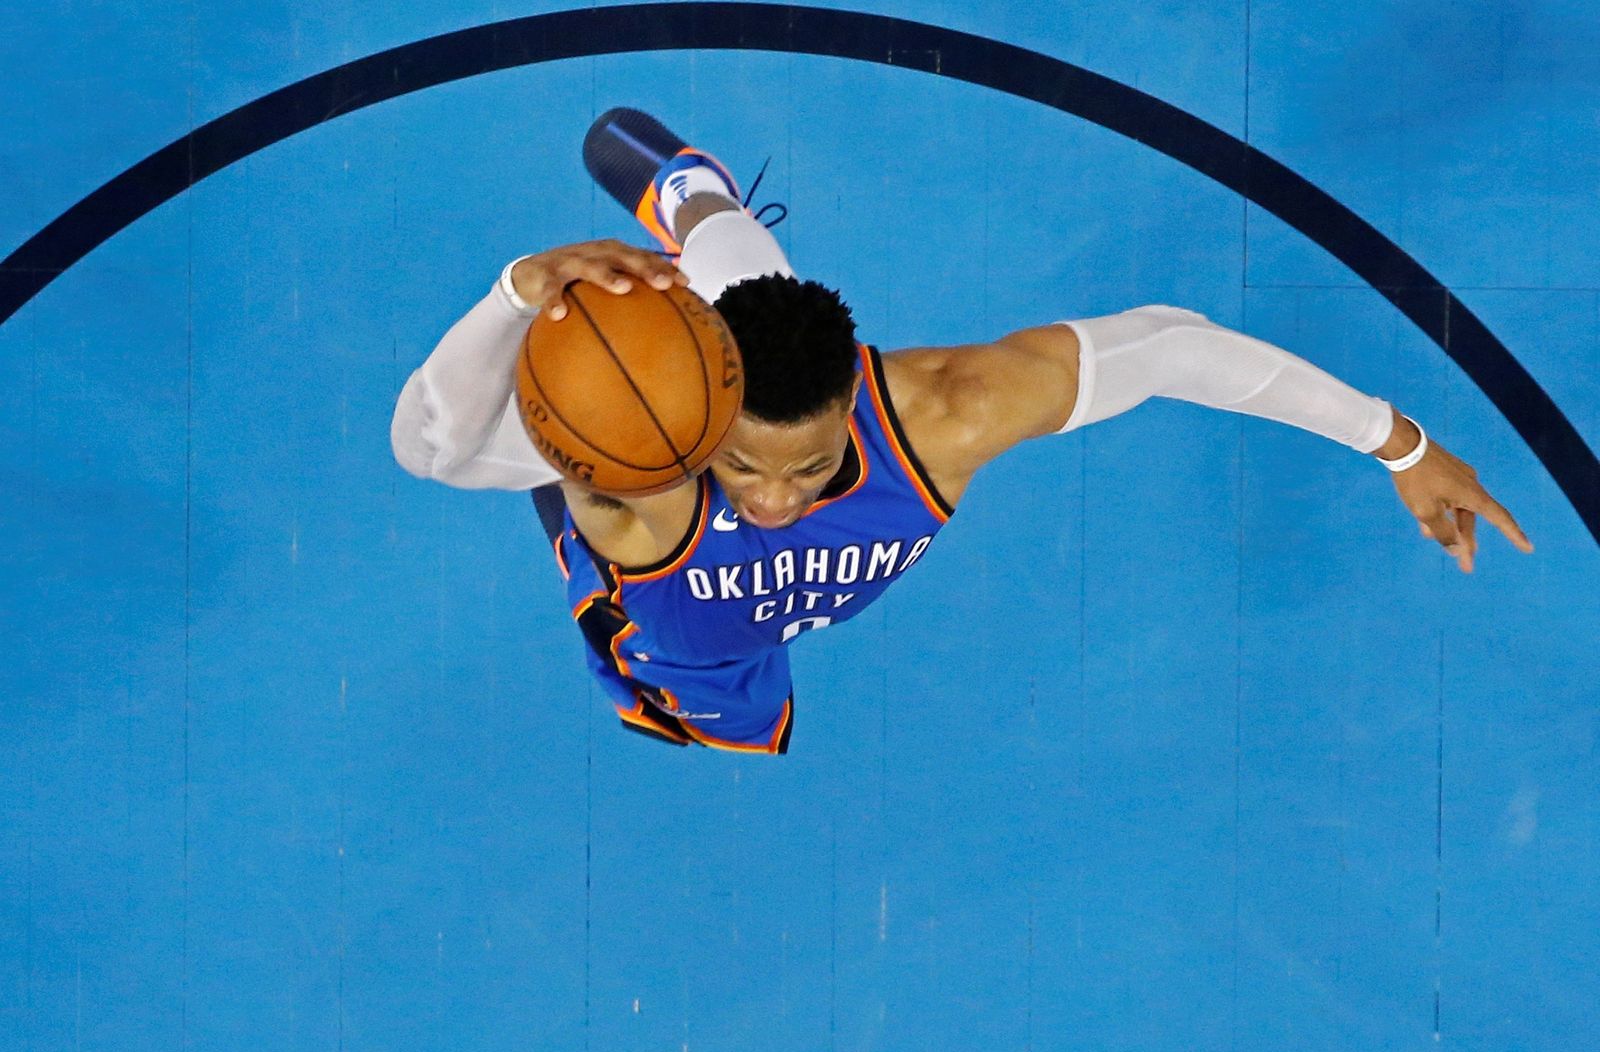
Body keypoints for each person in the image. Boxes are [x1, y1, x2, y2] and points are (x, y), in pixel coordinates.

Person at [393, 109, 1533, 754]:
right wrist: (514, 291)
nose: (777, 498)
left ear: (855, 405)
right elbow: (432, 449)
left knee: (763, 284)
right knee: (729, 274)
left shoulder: (940, 416)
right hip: (673, 621)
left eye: (807, 465)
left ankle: (688, 199)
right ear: (705, 433)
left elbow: (1169, 346)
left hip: (767, 525)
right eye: (745, 464)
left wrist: (1404, 445)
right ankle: (675, 190)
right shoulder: (642, 480)